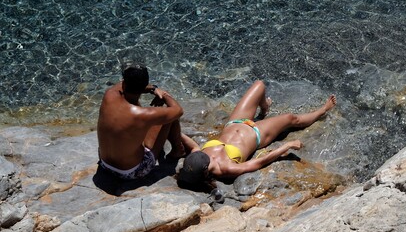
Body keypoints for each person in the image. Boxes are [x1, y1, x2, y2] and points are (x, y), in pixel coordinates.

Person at [178, 80, 336, 188]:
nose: (204, 154)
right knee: (291, 118)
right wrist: (286, 146)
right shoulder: (226, 169)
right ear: (205, 171)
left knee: (259, 85)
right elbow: (259, 162)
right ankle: (323, 110)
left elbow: (189, 143)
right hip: (257, 133)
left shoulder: (196, 157)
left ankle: (264, 107)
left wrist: (169, 123)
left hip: (234, 122)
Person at [97, 64, 195, 180]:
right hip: (131, 172)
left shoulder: (109, 94)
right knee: (169, 116)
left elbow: (121, 86)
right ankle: (177, 150)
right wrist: (162, 94)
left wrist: (153, 88)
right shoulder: (143, 114)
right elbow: (178, 111)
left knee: (140, 121)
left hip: (105, 164)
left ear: (124, 83)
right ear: (144, 85)